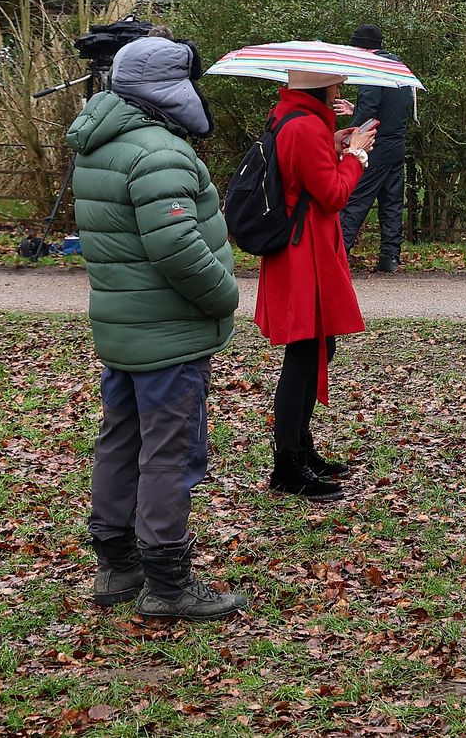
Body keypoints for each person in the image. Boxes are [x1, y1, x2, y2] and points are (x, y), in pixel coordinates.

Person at [68, 35, 248, 620]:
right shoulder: (158, 151)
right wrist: (225, 296)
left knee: (120, 442)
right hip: (169, 333)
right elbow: (176, 247)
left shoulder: (101, 143)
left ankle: (117, 565)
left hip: (125, 329)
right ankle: (167, 583)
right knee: (169, 452)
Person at [254, 68, 375, 500]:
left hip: (304, 249)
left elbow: (306, 172)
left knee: (317, 348)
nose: (340, 90)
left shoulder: (294, 117)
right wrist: (356, 157)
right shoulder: (304, 126)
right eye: (336, 85)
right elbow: (334, 194)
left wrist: (338, 141)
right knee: (305, 353)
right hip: (303, 253)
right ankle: (288, 465)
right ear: (320, 87)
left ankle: (301, 451)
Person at [340, 24, 411, 274]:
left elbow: (369, 110)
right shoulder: (398, 69)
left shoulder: (371, 71)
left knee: (355, 200)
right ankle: (390, 258)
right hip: (397, 145)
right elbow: (395, 107)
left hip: (374, 147)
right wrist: (355, 109)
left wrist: (350, 138)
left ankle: (337, 253)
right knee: (391, 204)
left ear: (361, 47)